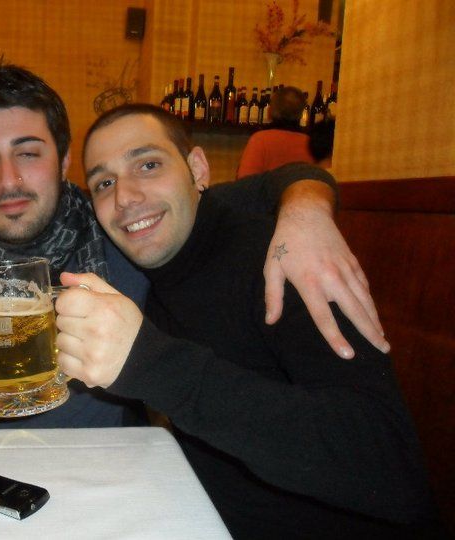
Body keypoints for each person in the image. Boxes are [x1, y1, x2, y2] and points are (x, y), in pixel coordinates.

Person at [0, 62, 387, 431]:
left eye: (28, 153)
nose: (8, 181)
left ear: (62, 159)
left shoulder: (122, 231)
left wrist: (307, 203)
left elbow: (237, 192)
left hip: (91, 484)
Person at [55, 103, 437, 538]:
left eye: (148, 164)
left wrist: (152, 363)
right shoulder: (148, 263)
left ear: (197, 169)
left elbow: (392, 466)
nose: (125, 197)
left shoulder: (280, 261)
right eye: (104, 183)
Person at [236, 86, 314, 179]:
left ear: (270, 111)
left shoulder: (261, 140)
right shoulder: (310, 144)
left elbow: (245, 181)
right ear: (302, 114)